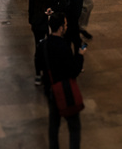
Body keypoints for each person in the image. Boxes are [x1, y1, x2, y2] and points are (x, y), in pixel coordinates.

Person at [40, 12, 84, 149]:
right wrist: (80, 56)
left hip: (52, 90)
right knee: (74, 127)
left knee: (53, 126)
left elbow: (40, 65)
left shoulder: (44, 45)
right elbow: (74, 71)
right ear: (60, 28)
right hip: (65, 91)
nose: (66, 27)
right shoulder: (64, 46)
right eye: (65, 25)